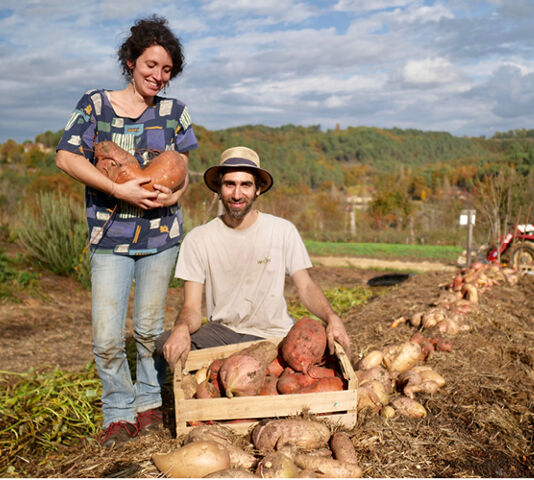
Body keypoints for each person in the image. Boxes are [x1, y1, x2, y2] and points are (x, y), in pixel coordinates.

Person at [55, 15, 198, 447]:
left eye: (167, 70)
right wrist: (118, 188)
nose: (158, 76)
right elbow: (66, 157)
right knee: (106, 335)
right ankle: (118, 411)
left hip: (160, 239)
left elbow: (183, 168)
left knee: (149, 330)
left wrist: (175, 197)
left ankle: (149, 405)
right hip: (109, 237)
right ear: (131, 61)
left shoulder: (175, 112)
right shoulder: (95, 105)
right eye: (151, 65)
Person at [157, 146, 351, 374]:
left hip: (274, 336)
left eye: (245, 185)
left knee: (330, 355)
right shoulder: (198, 239)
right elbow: (191, 307)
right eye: (230, 184)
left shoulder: (282, 231)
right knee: (163, 343)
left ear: (258, 189)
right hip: (223, 334)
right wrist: (180, 327)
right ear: (219, 188)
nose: (237, 194)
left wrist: (332, 317)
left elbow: (306, 286)